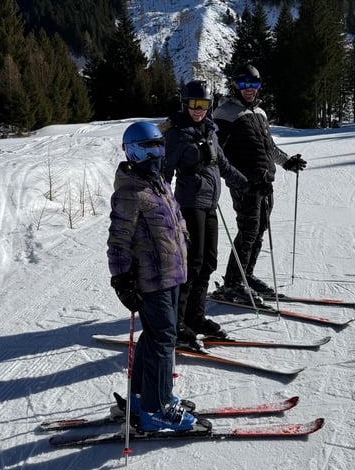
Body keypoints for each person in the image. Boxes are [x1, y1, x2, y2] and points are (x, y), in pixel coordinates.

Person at [107, 121, 196, 432]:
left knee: (154, 336)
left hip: (172, 273)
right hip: (150, 279)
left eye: (160, 146)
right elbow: (118, 240)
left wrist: (184, 238)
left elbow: (176, 216)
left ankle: (141, 397)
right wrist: (121, 280)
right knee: (164, 339)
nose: (157, 152)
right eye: (149, 147)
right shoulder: (130, 191)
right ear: (133, 151)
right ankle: (156, 409)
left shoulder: (159, 183)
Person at [162, 80, 249, 348]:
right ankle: (178, 325)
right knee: (192, 265)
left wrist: (246, 184)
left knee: (209, 262)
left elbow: (222, 164)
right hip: (190, 205)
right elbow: (166, 173)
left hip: (210, 204)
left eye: (203, 104)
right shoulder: (176, 135)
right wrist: (163, 205)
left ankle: (196, 318)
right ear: (185, 104)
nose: (198, 109)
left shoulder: (210, 131)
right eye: (193, 104)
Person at [212, 64, 307, 301]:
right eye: (243, 84)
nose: (249, 88)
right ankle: (233, 283)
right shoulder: (225, 113)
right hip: (244, 184)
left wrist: (287, 162)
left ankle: (246, 274)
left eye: (253, 83)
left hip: (264, 182)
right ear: (235, 85)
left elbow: (269, 147)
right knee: (248, 230)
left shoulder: (260, 113)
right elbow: (216, 152)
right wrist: (237, 179)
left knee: (259, 228)